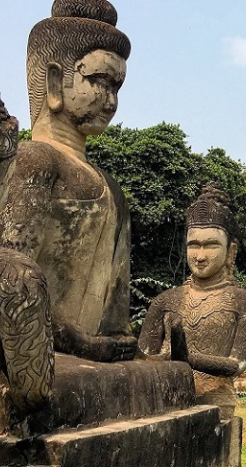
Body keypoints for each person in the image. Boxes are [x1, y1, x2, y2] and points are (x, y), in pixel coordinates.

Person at [0, 0, 137, 363]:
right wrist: (80, 343)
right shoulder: (34, 160)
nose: (111, 101)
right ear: (56, 82)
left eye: (117, 87)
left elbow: (115, 317)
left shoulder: (113, 188)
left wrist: (117, 344)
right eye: (99, 81)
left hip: (92, 359)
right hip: (33, 356)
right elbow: (11, 283)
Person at [138, 184, 246, 415]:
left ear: (231, 250)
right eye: (193, 245)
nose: (200, 256)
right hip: (163, 400)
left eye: (211, 245)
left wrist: (188, 358)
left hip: (215, 403)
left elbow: (238, 364)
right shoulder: (165, 301)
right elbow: (143, 357)